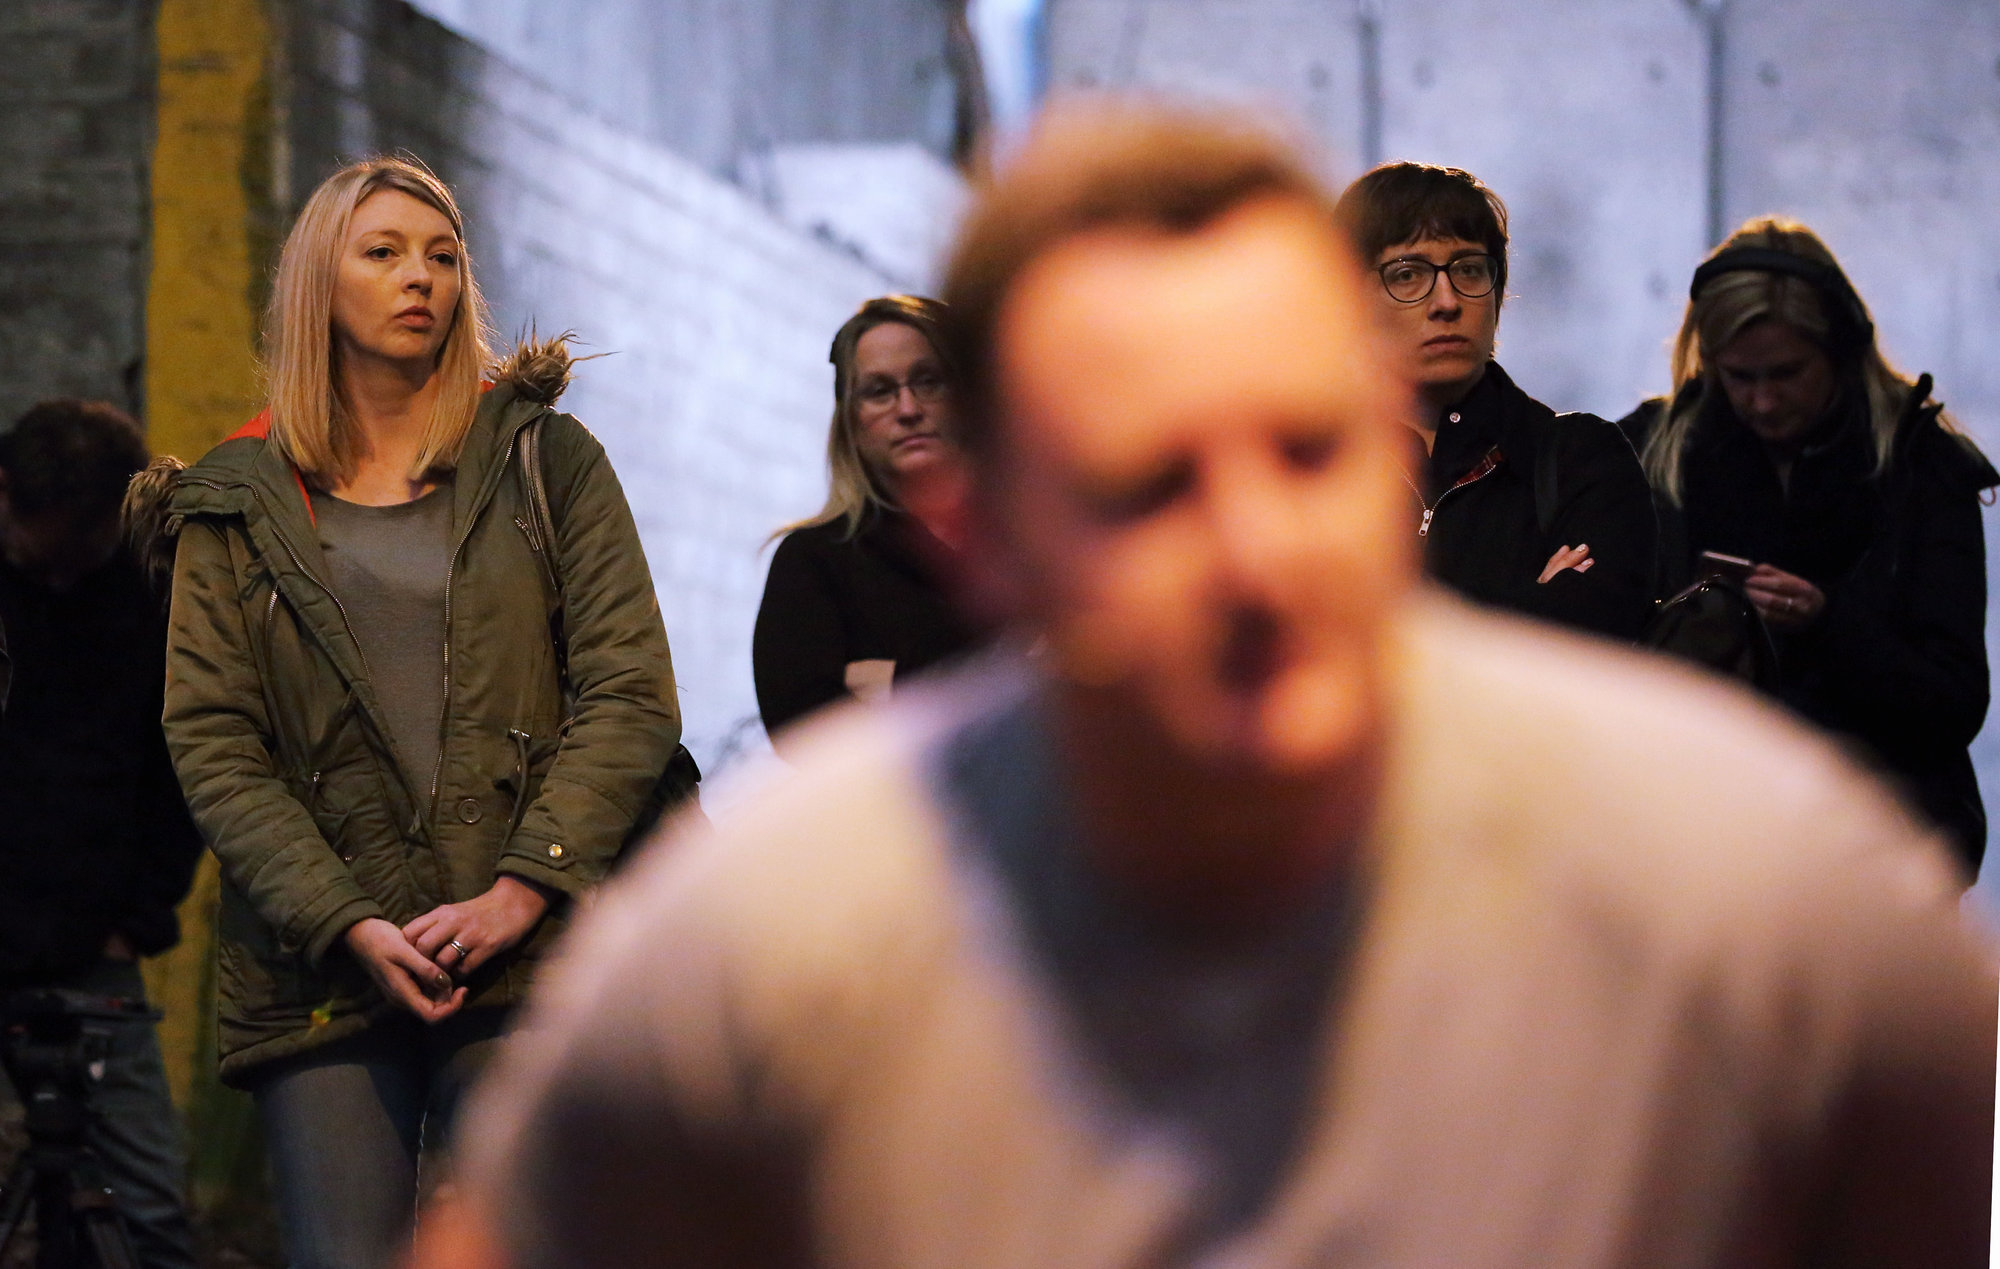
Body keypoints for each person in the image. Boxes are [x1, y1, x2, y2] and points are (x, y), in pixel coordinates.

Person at [441, 107, 1993, 1268]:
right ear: (988, 537)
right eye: (1149, 484)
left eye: (1308, 449)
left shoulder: (1758, 902)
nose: (1256, 550)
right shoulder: (768, 951)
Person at [156, 156, 680, 1269]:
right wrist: (344, 917)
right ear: (318, 283)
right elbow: (213, 742)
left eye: (443, 257)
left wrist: (520, 887)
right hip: (326, 964)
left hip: (531, 950)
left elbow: (629, 690)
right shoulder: (233, 500)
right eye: (384, 252)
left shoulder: (545, 460)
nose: (421, 279)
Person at [1621, 219, 1996, 873]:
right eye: (1739, 377)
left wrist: (1828, 624)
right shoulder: (1650, 453)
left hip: (1882, 840)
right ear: (1708, 363)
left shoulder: (1922, 468)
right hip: (1704, 840)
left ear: (1842, 352)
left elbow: (1952, 700)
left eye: (1787, 373)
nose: (1763, 401)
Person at [0, 399, 202, 1269]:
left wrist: (140, 912)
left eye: (81, 561)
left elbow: (187, 763)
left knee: (148, 1213)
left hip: (93, 949)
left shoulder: (149, 588)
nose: (58, 581)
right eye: (43, 555)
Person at [1334, 163, 1656, 640]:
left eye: (1468, 269)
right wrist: (1528, 607)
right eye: (1407, 274)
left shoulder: (1581, 459)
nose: (1447, 300)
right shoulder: (1314, 467)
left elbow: (1594, 652)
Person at [752, 295, 979, 745]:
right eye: (879, 391)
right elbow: (807, 736)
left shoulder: (1025, 548)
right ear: (851, 423)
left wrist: (887, 688)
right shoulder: (814, 562)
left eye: (928, 381)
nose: (909, 409)